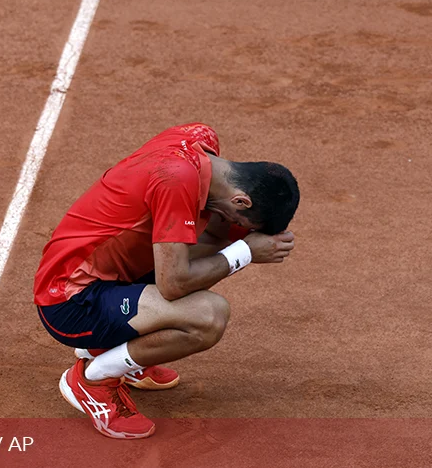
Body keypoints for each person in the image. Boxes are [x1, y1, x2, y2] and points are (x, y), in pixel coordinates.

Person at [33, 123, 299, 439]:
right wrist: (245, 251)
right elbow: (174, 284)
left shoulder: (200, 140)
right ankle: (93, 380)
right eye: (239, 218)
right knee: (208, 316)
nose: (235, 224)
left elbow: (212, 237)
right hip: (70, 299)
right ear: (241, 201)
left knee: (216, 245)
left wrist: (239, 237)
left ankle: (120, 351)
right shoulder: (175, 180)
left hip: (114, 273)